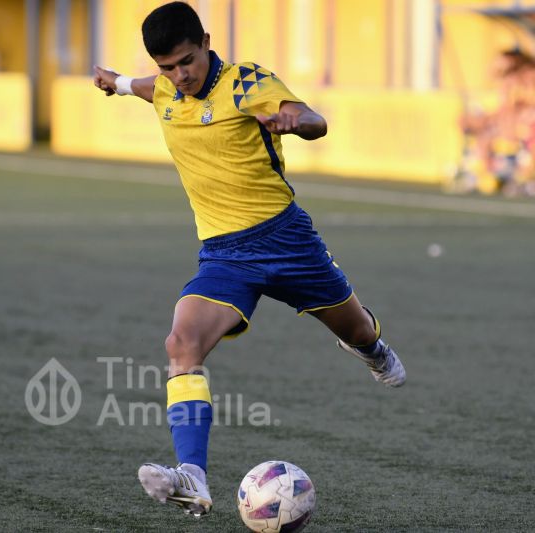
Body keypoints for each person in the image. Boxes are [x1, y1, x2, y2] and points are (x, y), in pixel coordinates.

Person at [93, 1, 406, 517]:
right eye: (167, 66)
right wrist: (120, 83)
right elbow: (150, 88)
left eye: (187, 61)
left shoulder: (245, 82)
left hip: (287, 241)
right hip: (225, 254)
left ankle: (373, 348)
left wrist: (296, 122)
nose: (178, 75)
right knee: (181, 341)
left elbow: (315, 120)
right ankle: (191, 476)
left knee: (355, 332)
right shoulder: (168, 86)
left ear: (208, 42)